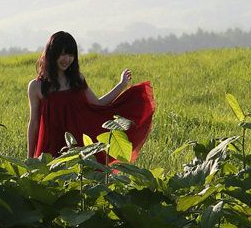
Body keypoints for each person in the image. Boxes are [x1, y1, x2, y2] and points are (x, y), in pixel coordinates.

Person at [27, 30, 155, 161]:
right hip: (50, 145)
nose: (67, 59)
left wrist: (121, 84)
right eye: (63, 54)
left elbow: (98, 103)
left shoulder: (77, 80)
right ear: (52, 54)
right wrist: (29, 157)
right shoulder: (36, 86)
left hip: (78, 144)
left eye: (71, 55)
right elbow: (34, 123)